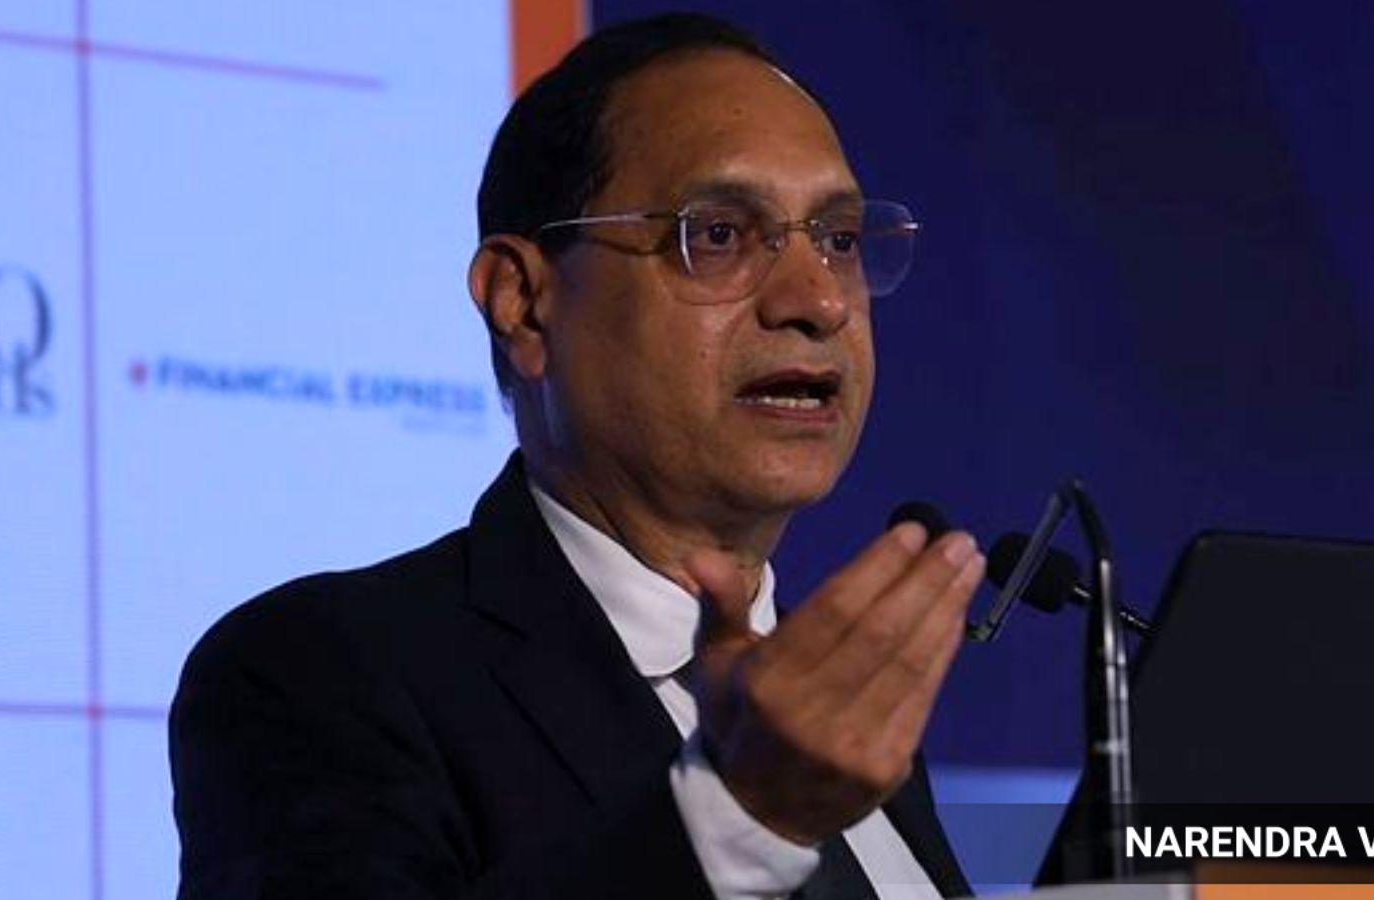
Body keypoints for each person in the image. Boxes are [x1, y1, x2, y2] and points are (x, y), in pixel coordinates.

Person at [170, 13, 985, 899]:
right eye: (718, 234)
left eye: (838, 239)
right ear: (522, 301)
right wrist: (739, 823)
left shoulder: (828, 722)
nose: (818, 301)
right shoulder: (321, 675)